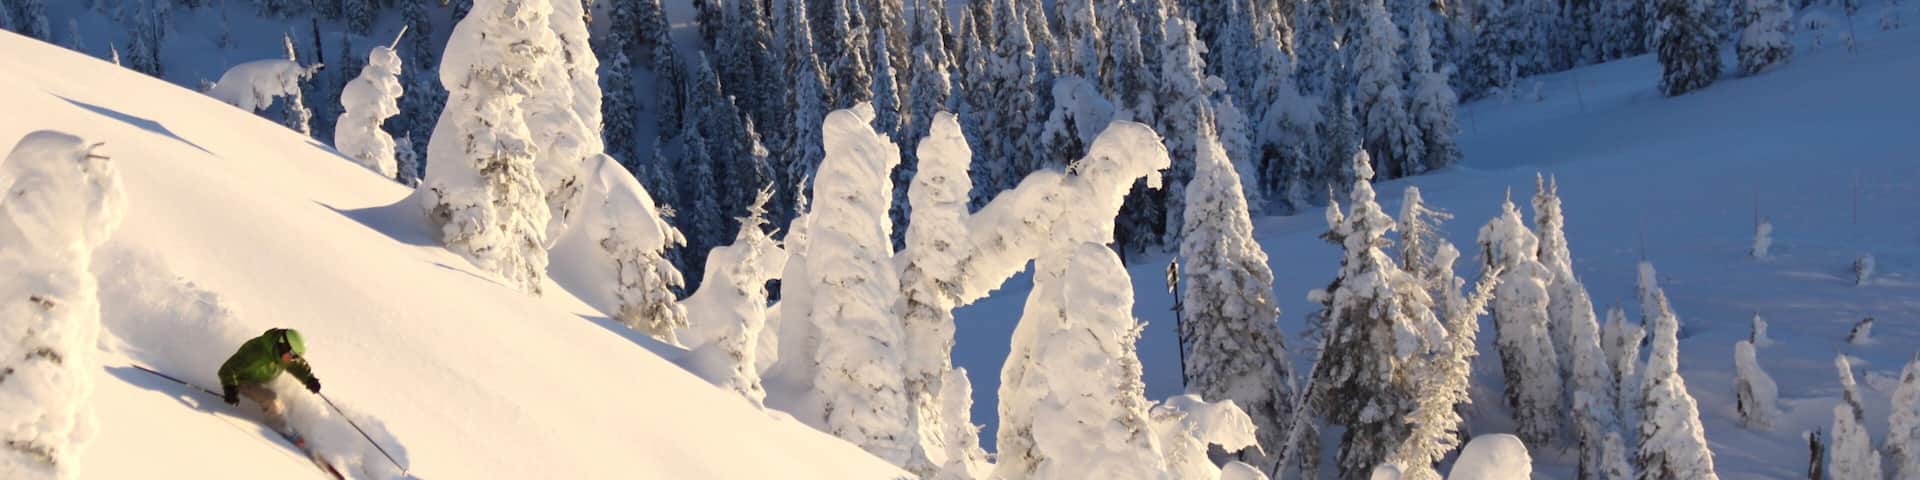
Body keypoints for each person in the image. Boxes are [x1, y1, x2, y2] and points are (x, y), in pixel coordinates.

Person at [218, 328, 322, 440]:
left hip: (262, 380)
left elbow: (298, 366)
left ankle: (288, 423)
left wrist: (309, 379)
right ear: (283, 345)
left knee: (286, 398)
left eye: (296, 357)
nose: (293, 360)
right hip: (241, 381)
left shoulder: (286, 356)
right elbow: (227, 369)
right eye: (292, 355)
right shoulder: (256, 352)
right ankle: (281, 428)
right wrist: (230, 388)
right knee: (271, 399)